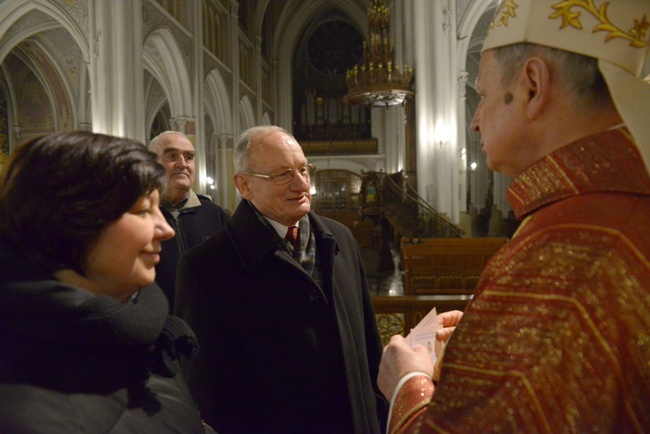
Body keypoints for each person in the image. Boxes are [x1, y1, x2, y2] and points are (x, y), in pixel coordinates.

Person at [378, 1, 650, 432]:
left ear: (532, 86)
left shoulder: (562, 258)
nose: (475, 122)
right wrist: (496, 337)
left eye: (483, 95)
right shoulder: (613, 206)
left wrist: (407, 382)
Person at [175, 125, 388, 433]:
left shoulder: (340, 237)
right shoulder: (205, 267)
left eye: (303, 170)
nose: (301, 184)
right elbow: (207, 392)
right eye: (283, 175)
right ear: (244, 185)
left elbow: (370, 347)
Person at [0, 131, 215, 433]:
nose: (165, 230)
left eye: (158, 208)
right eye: (142, 210)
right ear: (72, 224)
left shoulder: (142, 330)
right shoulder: (24, 412)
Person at [148, 131, 229, 311]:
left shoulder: (215, 214)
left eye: (189, 157)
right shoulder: (138, 217)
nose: (183, 164)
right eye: (172, 156)